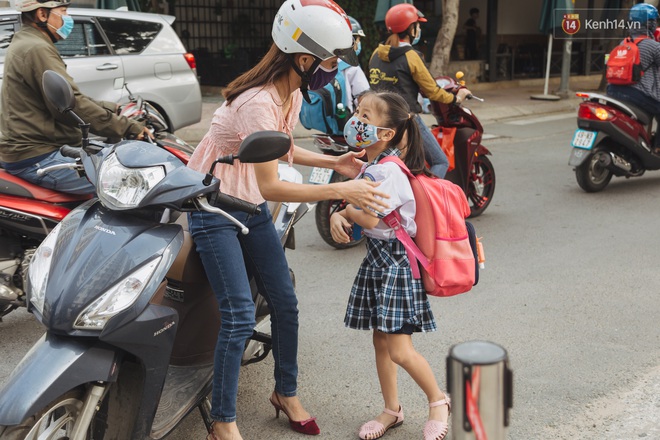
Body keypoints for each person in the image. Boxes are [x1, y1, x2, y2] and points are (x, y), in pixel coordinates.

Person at [185, 1, 391, 439]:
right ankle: (222, 421)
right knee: (239, 315)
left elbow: (281, 151)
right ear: (304, 59)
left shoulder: (291, 93)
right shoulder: (257, 102)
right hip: (213, 206)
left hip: (249, 203)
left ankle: (286, 392)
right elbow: (274, 185)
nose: (335, 69)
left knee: (285, 301)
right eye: (332, 60)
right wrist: (340, 190)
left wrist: (337, 164)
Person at [330, 90, 450, 440]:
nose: (357, 120)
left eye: (366, 117)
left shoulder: (389, 173)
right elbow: (360, 212)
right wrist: (342, 212)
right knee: (380, 342)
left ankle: (437, 400)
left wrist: (344, 211)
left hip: (397, 265)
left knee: (399, 348)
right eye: (358, 112)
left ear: (386, 134)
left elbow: (366, 218)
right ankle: (391, 410)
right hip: (379, 261)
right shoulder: (373, 167)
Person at [0, 0, 150, 195]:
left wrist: (112, 108)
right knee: (133, 183)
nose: (67, 18)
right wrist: (128, 127)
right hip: (38, 154)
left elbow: (67, 96)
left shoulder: (28, 41)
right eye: (63, 11)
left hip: (34, 147)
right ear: (42, 15)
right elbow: (72, 106)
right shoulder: (36, 48)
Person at [369, 3, 471, 179]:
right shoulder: (411, 56)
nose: (419, 30)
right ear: (411, 29)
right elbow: (432, 90)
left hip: (378, 120)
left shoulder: (376, 53)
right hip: (407, 121)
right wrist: (456, 99)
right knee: (441, 162)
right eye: (417, 26)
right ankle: (429, 201)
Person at [606, 3, 660, 154]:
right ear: (650, 24)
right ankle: (658, 147)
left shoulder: (623, 43)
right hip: (637, 95)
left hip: (612, 91)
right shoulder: (653, 46)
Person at [342, 16, 371, 113]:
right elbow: (365, 100)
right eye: (358, 40)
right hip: (347, 119)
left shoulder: (327, 62)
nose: (359, 44)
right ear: (351, 41)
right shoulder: (352, 67)